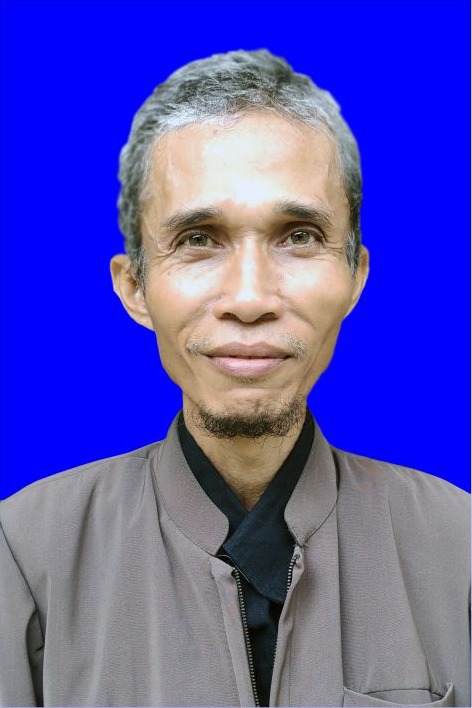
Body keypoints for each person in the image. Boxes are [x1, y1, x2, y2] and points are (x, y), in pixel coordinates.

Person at [1, 50, 469, 708]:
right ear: (134, 287)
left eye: (298, 236)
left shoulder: (459, 547)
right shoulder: (25, 552)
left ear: (355, 276)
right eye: (198, 238)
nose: (250, 299)